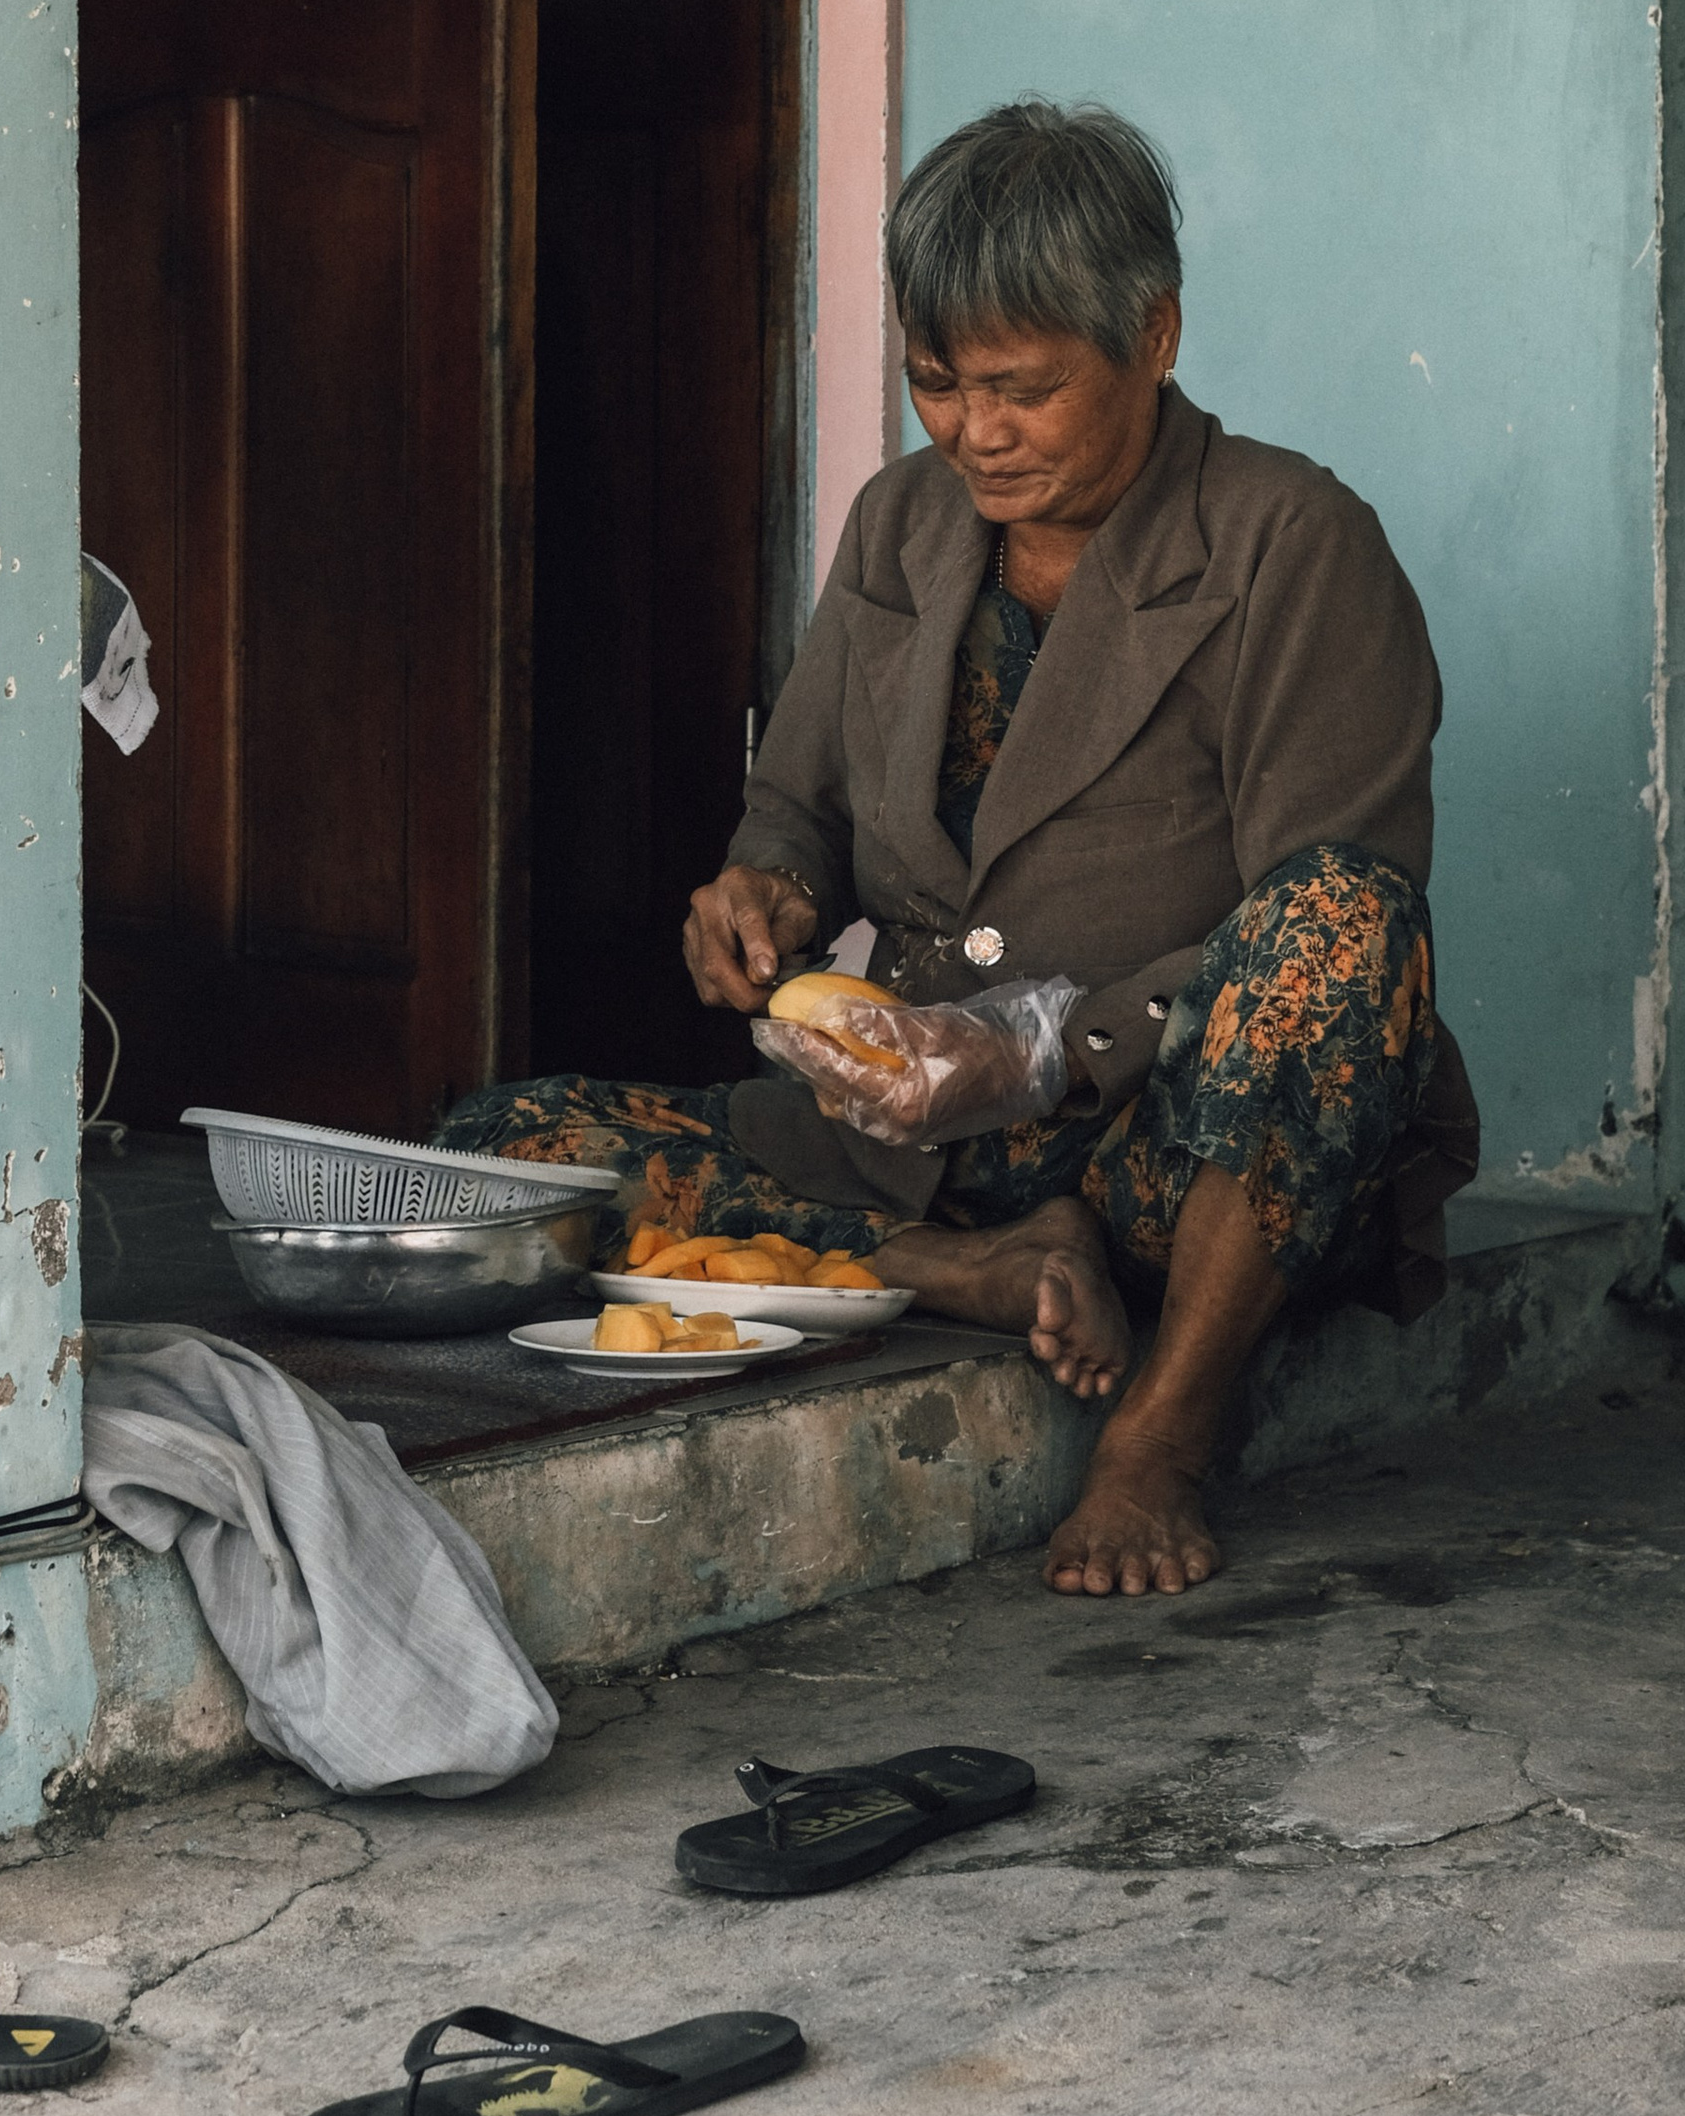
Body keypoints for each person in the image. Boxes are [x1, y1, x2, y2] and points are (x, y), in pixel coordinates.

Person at [439, 101, 1476, 1598]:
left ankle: (1162, 1438)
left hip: (1170, 1159)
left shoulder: (1287, 544)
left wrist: (1040, 1049)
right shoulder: (901, 528)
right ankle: (969, 1275)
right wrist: (764, 895)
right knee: (488, 1152)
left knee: (1346, 925)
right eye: (937, 382)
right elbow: (795, 810)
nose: (973, 432)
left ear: (1158, 335)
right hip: (910, 1159)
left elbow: (1333, 912)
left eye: (1023, 389)